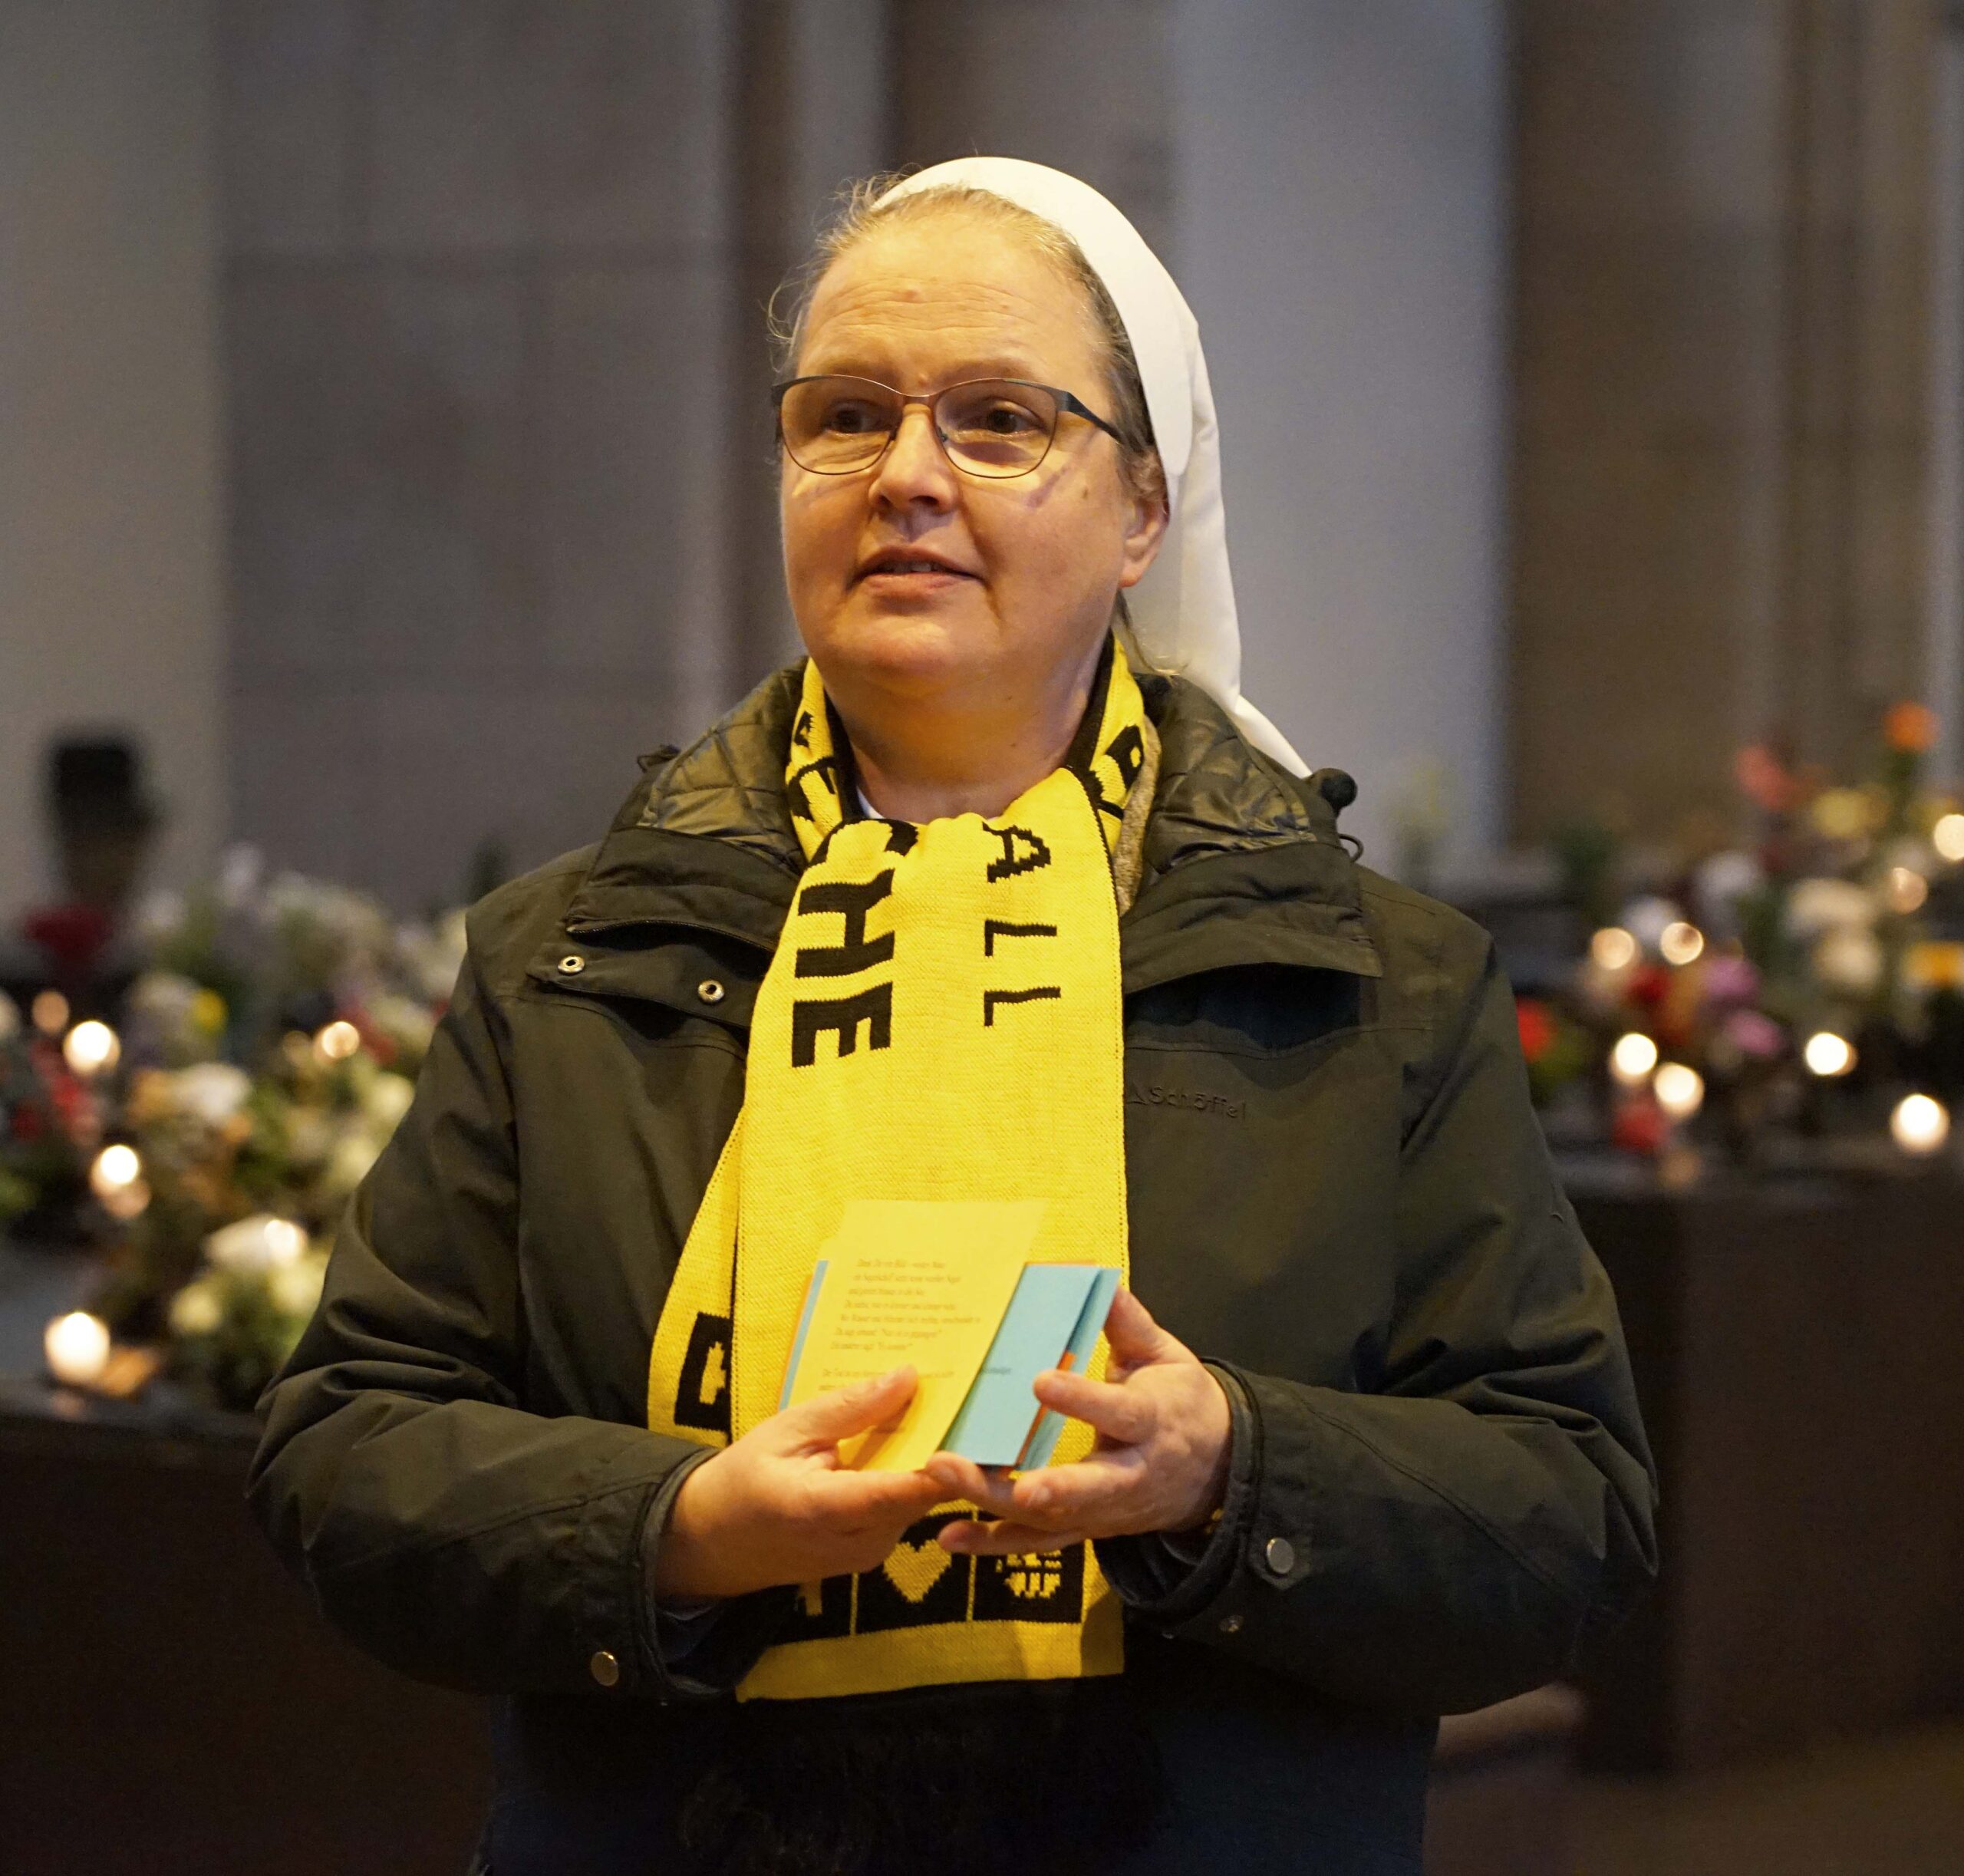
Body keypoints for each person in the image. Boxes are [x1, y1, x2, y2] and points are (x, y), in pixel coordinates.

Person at [249, 158, 1657, 1876]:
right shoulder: (571, 960)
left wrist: (1233, 1468)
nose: (905, 475)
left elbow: (1566, 1508)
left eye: (998, 419)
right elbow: (343, 1450)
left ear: (1142, 508)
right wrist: (673, 1525)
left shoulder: (1373, 979)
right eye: (843, 415)